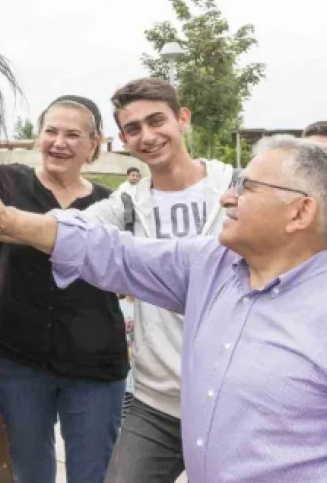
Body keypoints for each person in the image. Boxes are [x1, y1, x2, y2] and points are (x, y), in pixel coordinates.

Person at [0, 135, 327, 483]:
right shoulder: (213, 265)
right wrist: (10, 221)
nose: (228, 196)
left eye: (248, 188)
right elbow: (114, 252)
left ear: (301, 212)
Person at [51, 78, 238, 483]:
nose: (148, 136)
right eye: (134, 128)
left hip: (238, 404)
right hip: (158, 405)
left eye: (157, 121)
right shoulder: (128, 205)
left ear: (183, 119)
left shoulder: (238, 191)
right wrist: (5, 218)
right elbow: (66, 229)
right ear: (122, 138)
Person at [0, 95, 125, 483]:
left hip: (95, 367)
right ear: (37, 138)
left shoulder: (110, 205)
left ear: (94, 144)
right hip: (20, 362)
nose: (59, 142)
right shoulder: (5, 184)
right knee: (31, 473)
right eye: (51, 131)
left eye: (73, 134)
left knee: (92, 475)